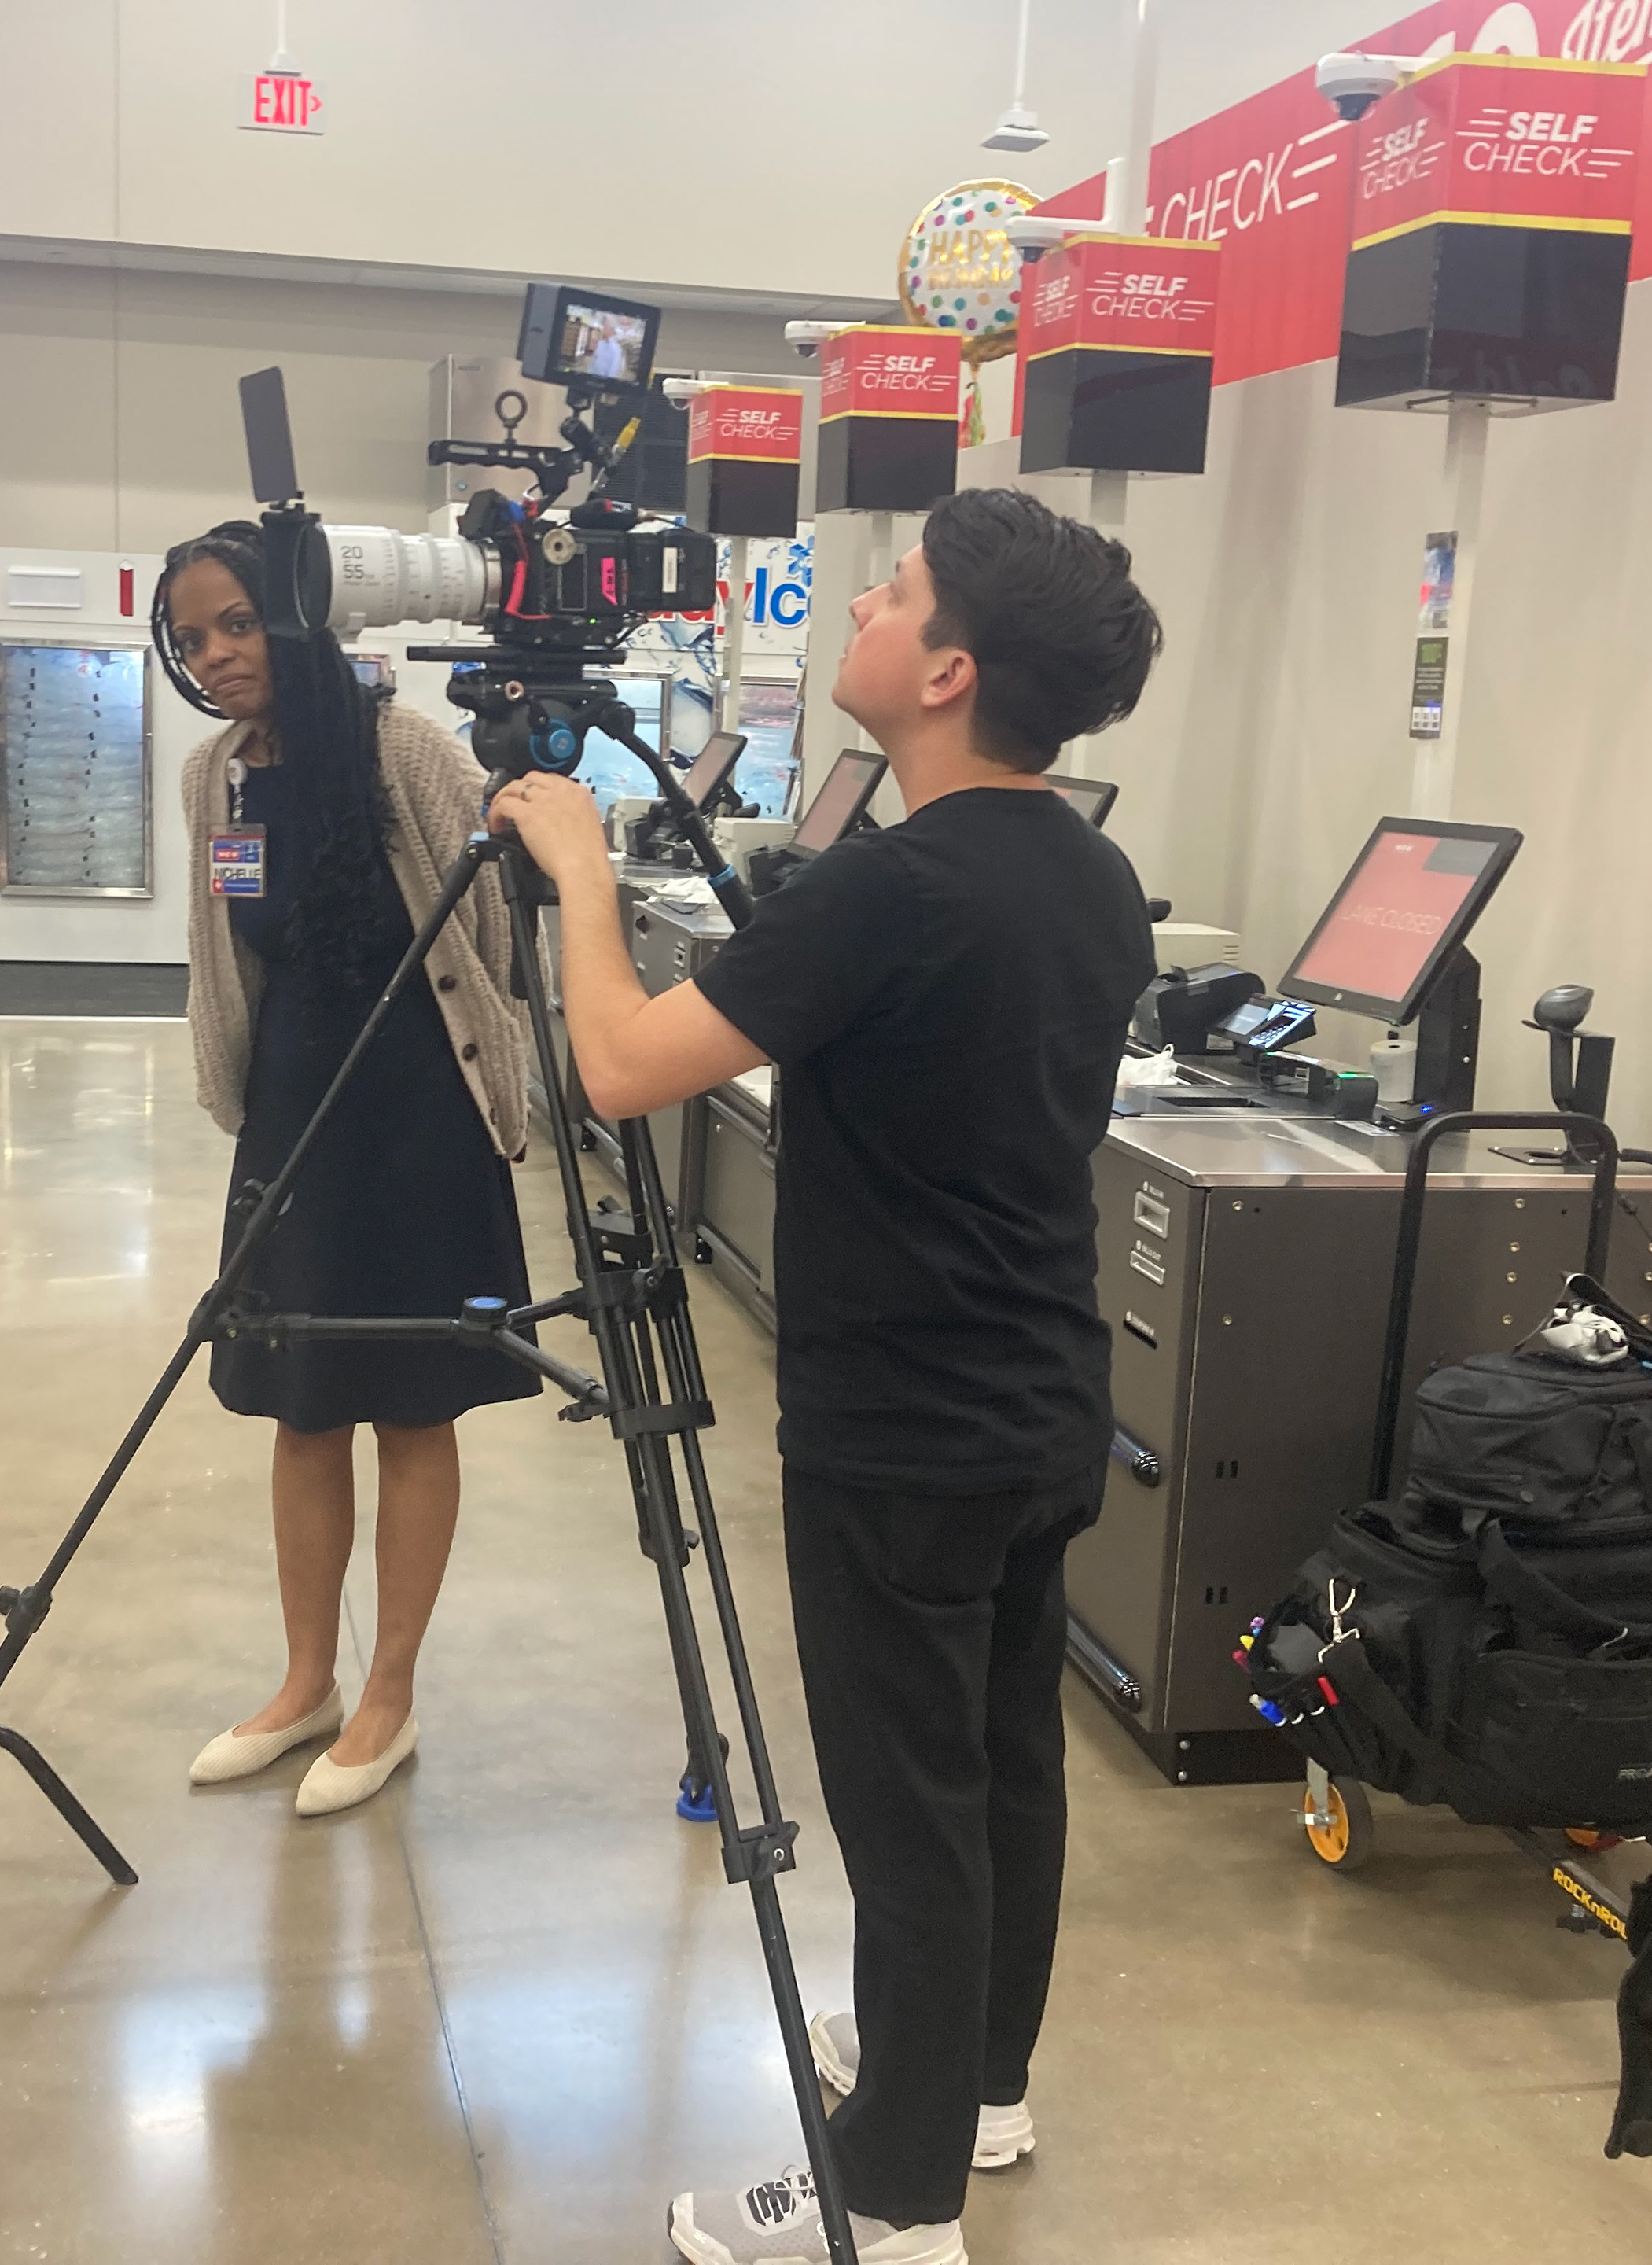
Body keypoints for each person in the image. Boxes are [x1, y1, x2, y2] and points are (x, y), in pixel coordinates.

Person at [486, 487, 1161, 2265]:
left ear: (947, 672)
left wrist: (578, 873)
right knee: (1002, 1765)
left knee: (909, 1809)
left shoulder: (890, 889)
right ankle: (978, 2088)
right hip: (1039, 1401)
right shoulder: (1088, 874)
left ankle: (895, 2200)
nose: (863, 601)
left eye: (899, 589)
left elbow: (621, 1066)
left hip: (903, 1430)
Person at [164, 524, 539, 1819]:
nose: (215, 656)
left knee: (414, 1407)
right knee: (302, 1403)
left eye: (237, 623)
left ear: (297, 617)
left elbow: (489, 936)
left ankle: (389, 1694)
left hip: (420, 1120)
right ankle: (305, 1685)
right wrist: (239, 1099)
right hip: (292, 1124)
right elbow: (224, 952)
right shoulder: (215, 777)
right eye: (193, 637)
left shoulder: (405, 751)